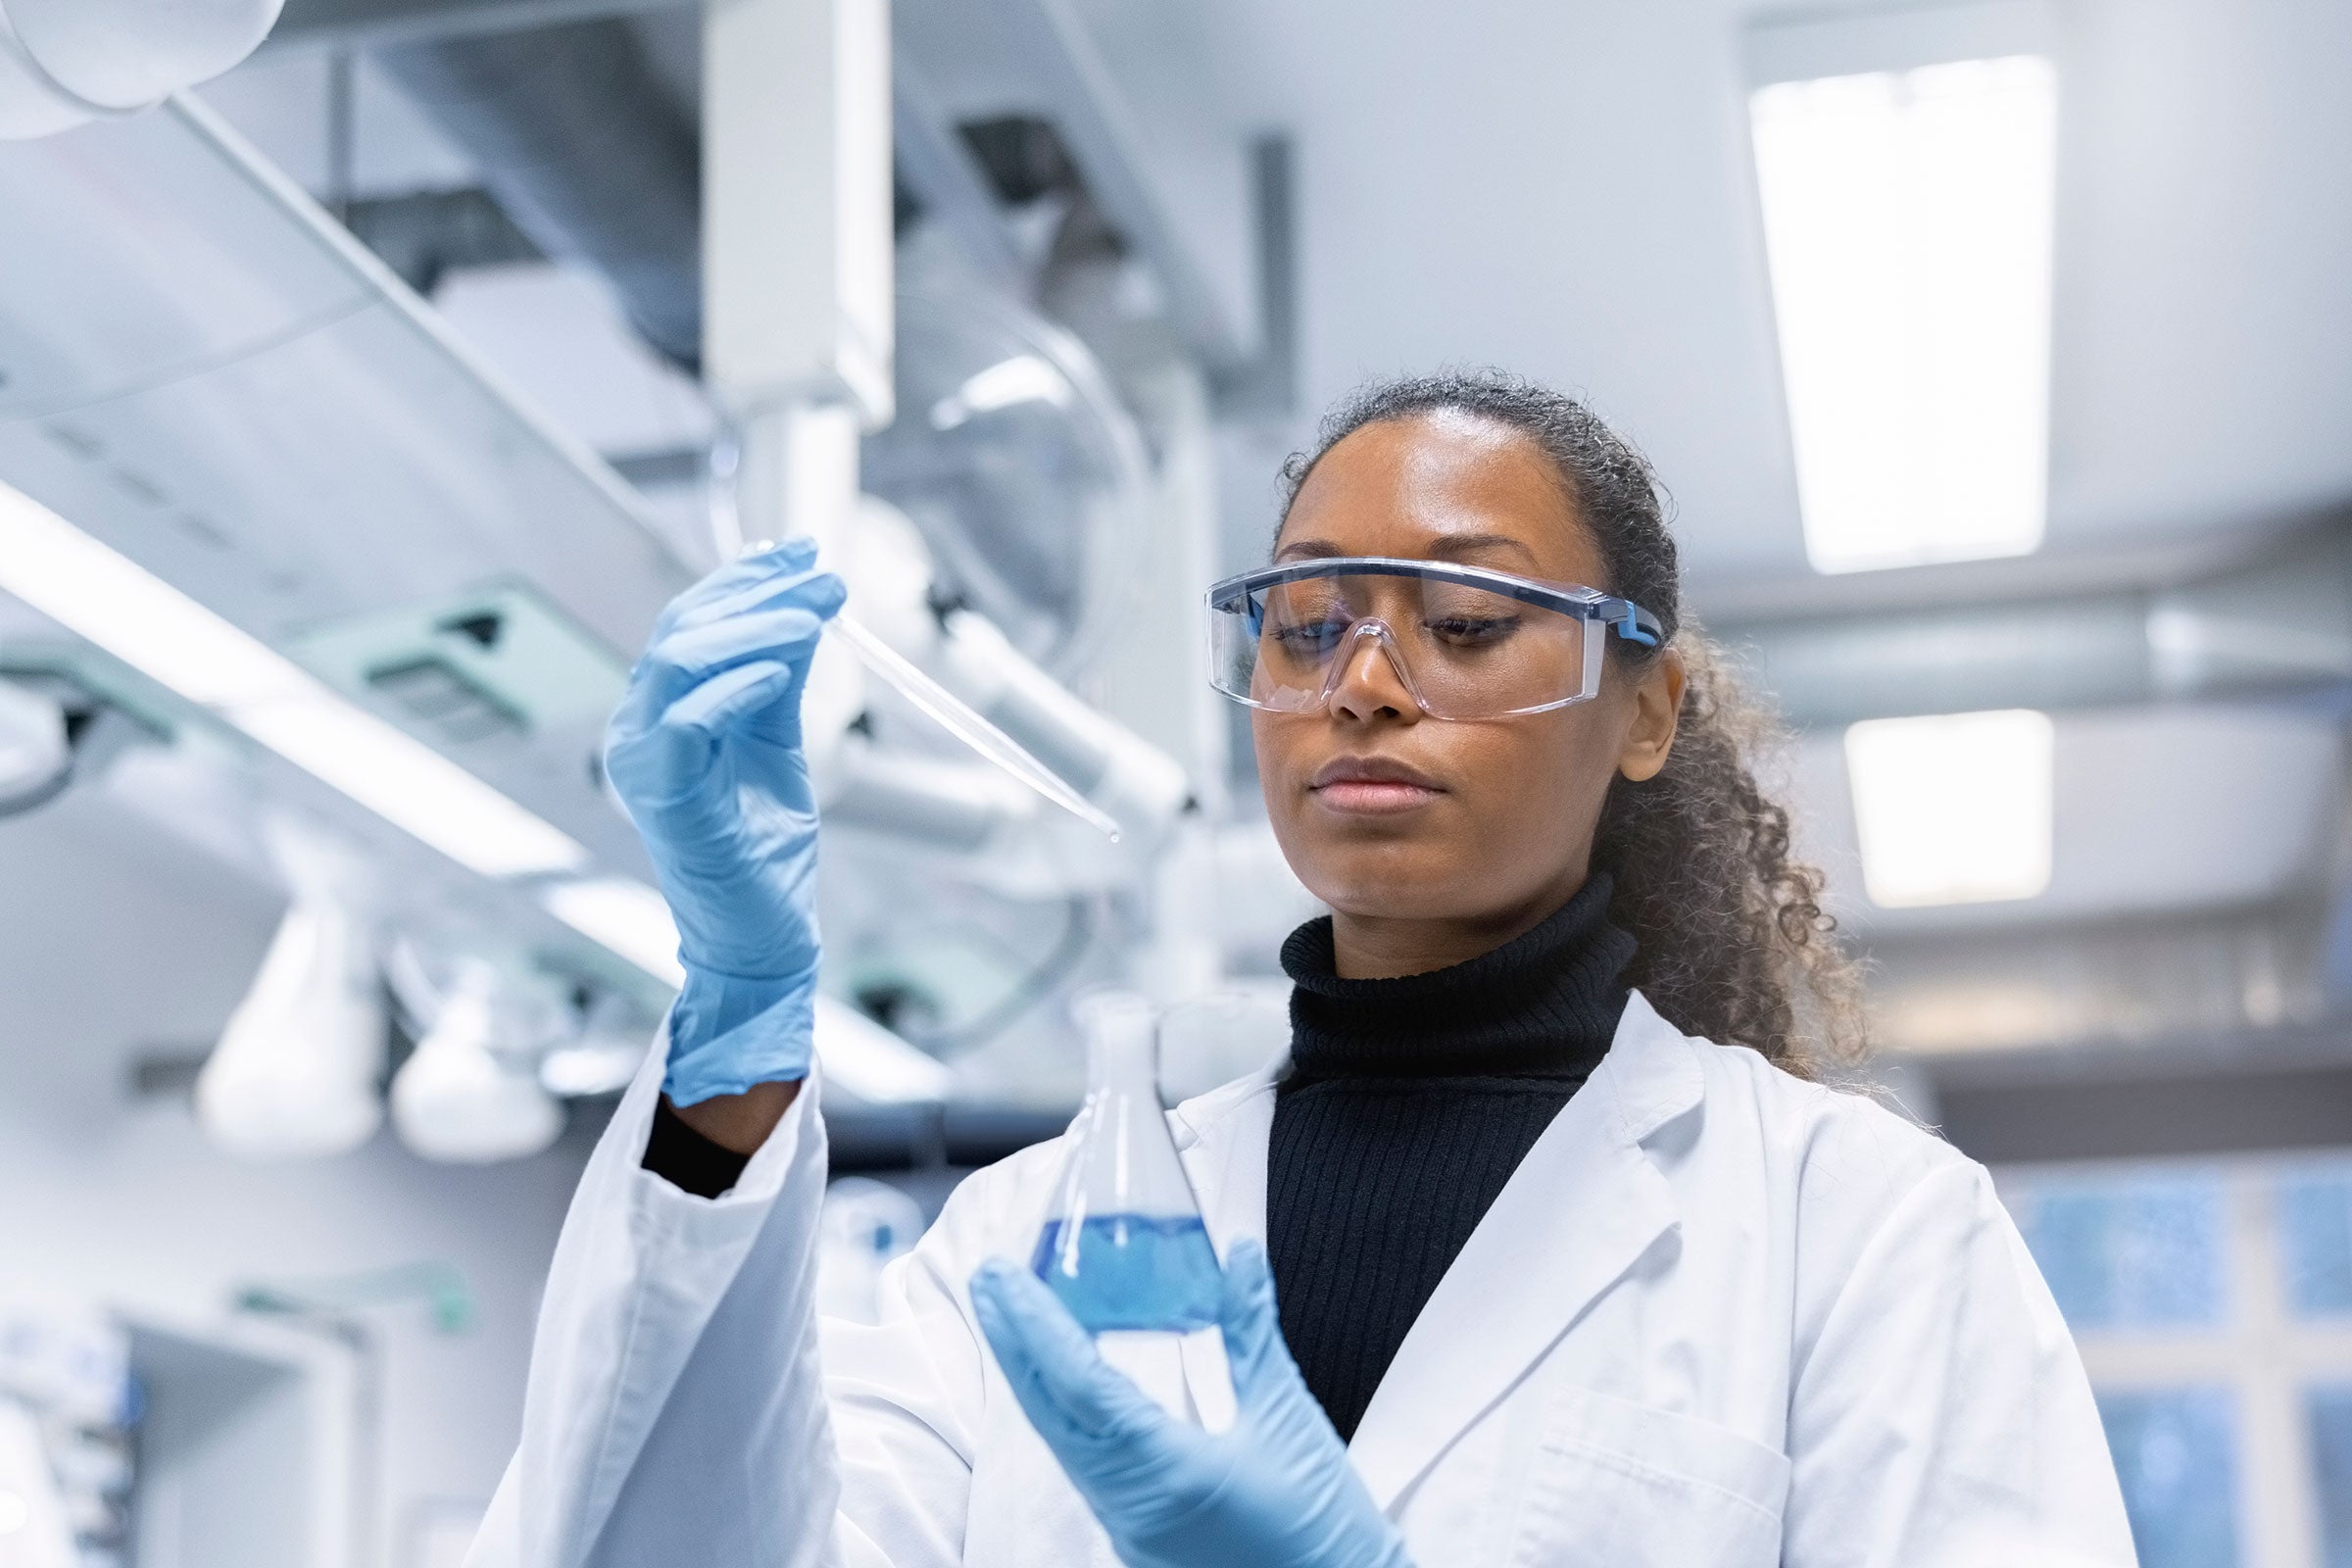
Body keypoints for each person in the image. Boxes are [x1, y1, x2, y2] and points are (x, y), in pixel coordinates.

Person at [468, 372, 2135, 1568]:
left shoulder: (1858, 1235)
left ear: (1646, 709)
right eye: (1305, 625)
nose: (1365, 685)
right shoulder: (1037, 1239)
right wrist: (738, 1032)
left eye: (1465, 625)